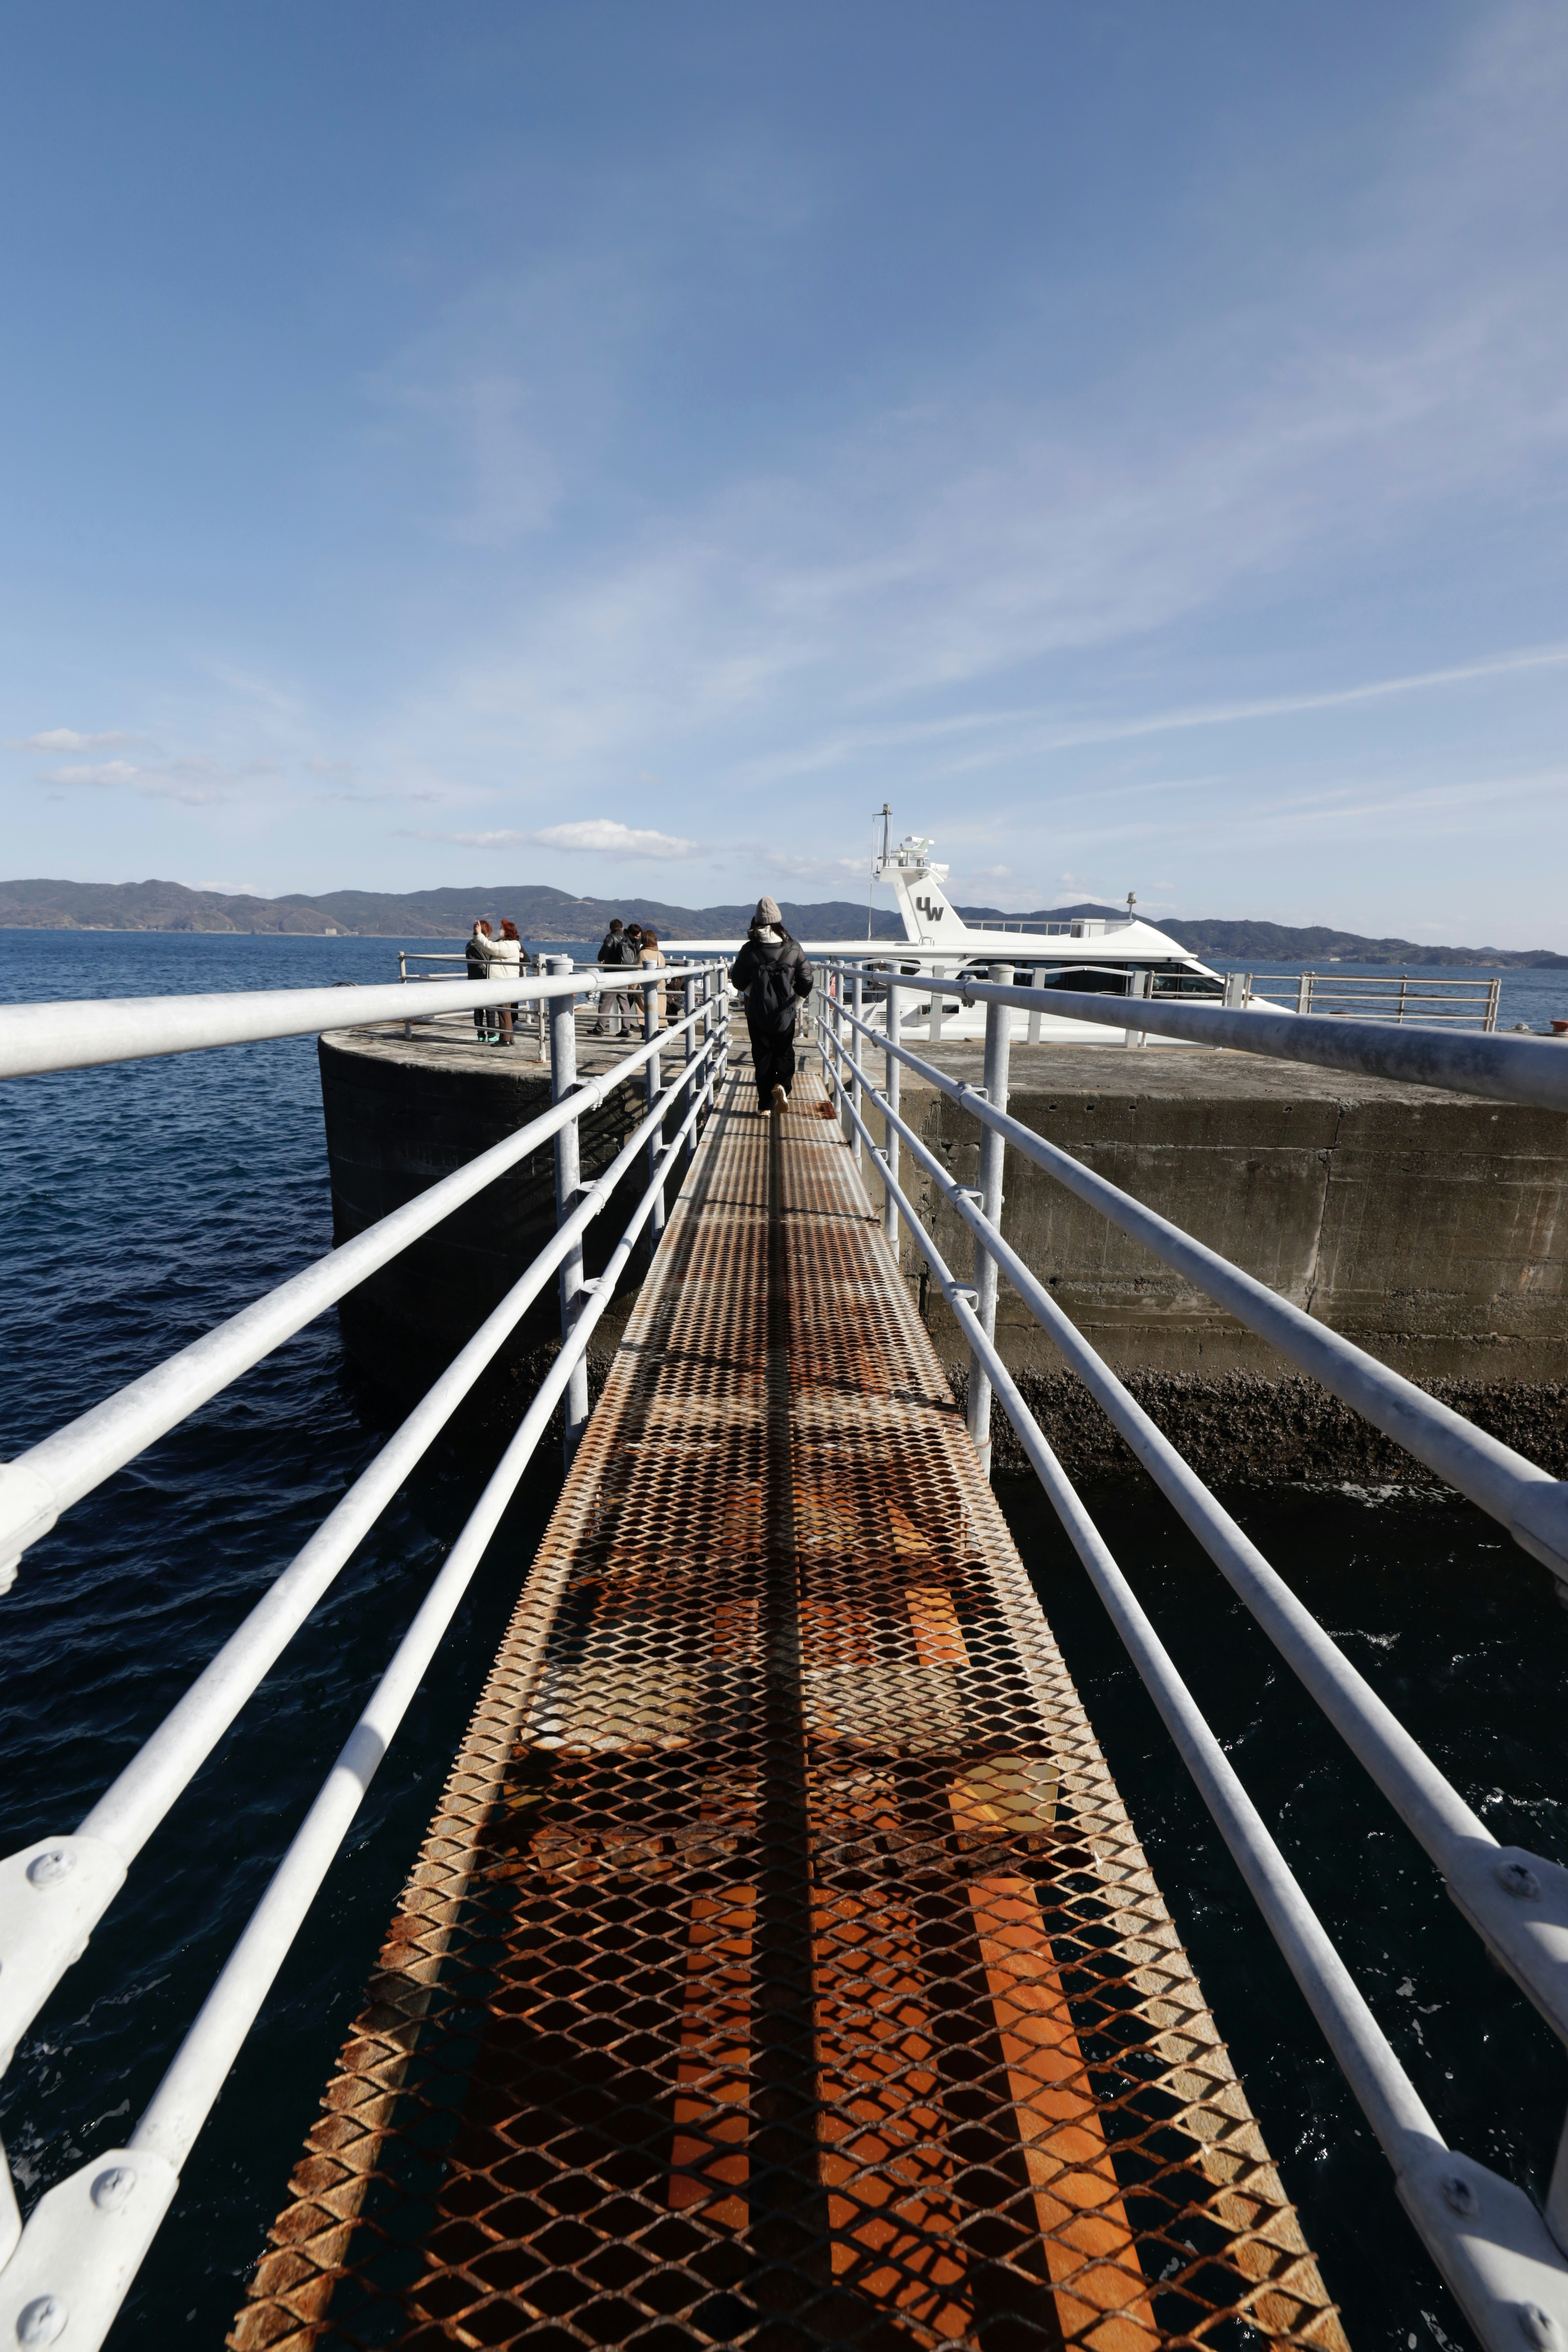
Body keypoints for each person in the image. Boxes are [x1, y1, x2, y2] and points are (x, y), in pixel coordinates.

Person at [728, 895, 813, 1112]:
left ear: (757, 921)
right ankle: (783, 1086)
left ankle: (765, 1106)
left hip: (757, 1013)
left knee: (762, 1055)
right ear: (778, 920)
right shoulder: (793, 948)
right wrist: (796, 1004)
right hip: (785, 1011)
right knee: (784, 1052)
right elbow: (807, 980)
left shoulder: (749, 949)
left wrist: (755, 993)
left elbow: (737, 979)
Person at [594, 917, 636, 1036]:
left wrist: (601, 958)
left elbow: (606, 948)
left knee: (605, 1002)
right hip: (625, 975)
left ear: (611, 928)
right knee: (625, 1002)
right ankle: (626, 1030)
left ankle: (599, 1029)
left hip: (612, 975)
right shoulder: (626, 938)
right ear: (622, 928)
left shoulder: (611, 937)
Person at [466, 918, 504, 1043]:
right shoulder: (483, 944)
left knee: (478, 1009)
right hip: (486, 979)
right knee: (490, 1008)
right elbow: (489, 957)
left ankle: (480, 1035)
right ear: (486, 933)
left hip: (473, 979)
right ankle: (492, 1035)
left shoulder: (470, 944)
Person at [492, 919, 523, 1046]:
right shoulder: (512, 944)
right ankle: (509, 1037)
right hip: (511, 981)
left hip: (504, 981)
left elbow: (490, 948)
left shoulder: (508, 945)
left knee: (504, 1011)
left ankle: (505, 1039)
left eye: (502, 928)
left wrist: (479, 937)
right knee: (507, 1011)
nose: (500, 930)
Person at [637, 926, 668, 1031]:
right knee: (659, 1012)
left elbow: (638, 973)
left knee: (644, 1011)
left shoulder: (643, 953)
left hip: (646, 988)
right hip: (660, 989)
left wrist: (632, 989)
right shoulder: (660, 954)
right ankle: (658, 1032)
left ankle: (645, 1034)